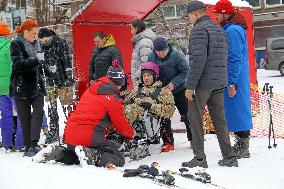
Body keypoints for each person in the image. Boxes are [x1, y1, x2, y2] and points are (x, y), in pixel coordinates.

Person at [41, 61, 135, 167]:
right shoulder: (113, 99)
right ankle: (93, 154)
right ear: (119, 83)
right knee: (118, 158)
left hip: (70, 134)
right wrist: (132, 134)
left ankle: (60, 153)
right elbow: (121, 125)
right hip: (89, 137)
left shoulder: (90, 90)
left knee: (77, 155)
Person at [182, 1, 238, 168]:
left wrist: (190, 86)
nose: (189, 19)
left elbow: (198, 60)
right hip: (218, 81)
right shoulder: (219, 29)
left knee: (195, 118)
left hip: (202, 83)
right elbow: (224, 56)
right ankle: (229, 157)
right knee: (220, 121)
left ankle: (199, 158)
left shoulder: (199, 30)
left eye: (189, 16)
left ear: (195, 14)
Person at [214, 0, 253, 159]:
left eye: (217, 13)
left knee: (239, 111)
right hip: (236, 77)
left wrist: (232, 82)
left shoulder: (232, 31)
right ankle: (240, 144)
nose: (216, 16)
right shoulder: (232, 29)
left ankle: (243, 147)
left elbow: (234, 58)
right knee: (237, 111)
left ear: (224, 13)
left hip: (235, 78)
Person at [9, 19, 46, 157]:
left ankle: (34, 142)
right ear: (25, 32)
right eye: (34, 33)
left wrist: (48, 69)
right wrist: (36, 59)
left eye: (37, 33)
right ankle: (28, 145)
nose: (36, 36)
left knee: (38, 112)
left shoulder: (36, 44)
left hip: (37, 85)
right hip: (21, 85)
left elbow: (40, 64)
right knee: (24, 118)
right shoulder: (16, 44)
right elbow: (18, 64)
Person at [148, 37, 192, 152]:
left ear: (167, 48)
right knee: (163, 116)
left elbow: (185, 71)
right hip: (162, 92)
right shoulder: (151, 57)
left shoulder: (176, 55)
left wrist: (174, 83)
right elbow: (150, 72)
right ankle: (167, 142)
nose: (161, 54)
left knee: (187, 115)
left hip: (179, 89)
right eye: (158, 52)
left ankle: (194, 139)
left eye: (163, 51)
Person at [124, 62, 175, 150]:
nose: (146, 78)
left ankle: (124, 136)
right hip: (135, 120)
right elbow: (125, 102)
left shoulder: (163, 91)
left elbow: (170, 110)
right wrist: (128, 101)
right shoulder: (137, 90)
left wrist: (152, 106)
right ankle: (121, 136)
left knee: (131, 110)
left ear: (155, 76)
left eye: (149, 75)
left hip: (151, 122)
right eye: (144, 76)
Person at [38, 27, 73, 144]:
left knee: (67, 107)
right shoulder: (41, 47)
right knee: (51, 108)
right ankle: (53, 130)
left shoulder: (61, 43)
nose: (43, 42)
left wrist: (68, 76)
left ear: (50, 36)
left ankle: (70, 130)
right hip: (49, 82)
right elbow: (40, 62)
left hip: (63, 81)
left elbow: (68, 60)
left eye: (45, 39)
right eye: (41, 40)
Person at [0, 22, 24, 152]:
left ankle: (7, 144)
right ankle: (20, 144)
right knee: (21, 114)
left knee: (6, 116)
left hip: (0, 89)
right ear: (6, 34)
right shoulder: (10, 46)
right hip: (13, 86)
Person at [130, 19, 156, 86]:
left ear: (137, 28)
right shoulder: (140, 41)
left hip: (143, 80)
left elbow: (146, 62)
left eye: (132, 29)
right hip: (141, 79)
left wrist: (137, 76)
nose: (131, 31)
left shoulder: (144, 42)